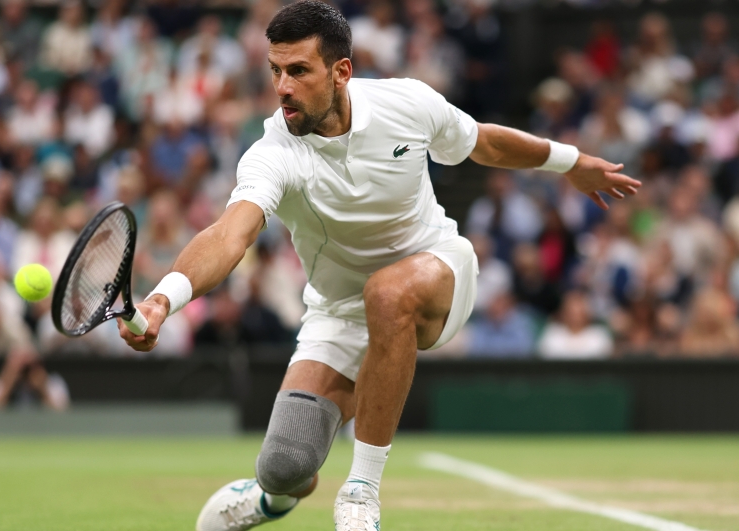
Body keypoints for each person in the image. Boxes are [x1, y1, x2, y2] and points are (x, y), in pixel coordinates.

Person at [114, 3, 640, 530]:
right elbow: (231, 234)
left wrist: (570, 163)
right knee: (284, 467)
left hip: (437, 272)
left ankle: (361, 493)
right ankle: (270, 500)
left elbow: (483, 143)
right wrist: (163, 299)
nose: (282, 87)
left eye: (298, 70)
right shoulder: (272, 152)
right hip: (338, 312)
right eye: (275, 71)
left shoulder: (406, 102)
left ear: (341, 71)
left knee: (389, 295)